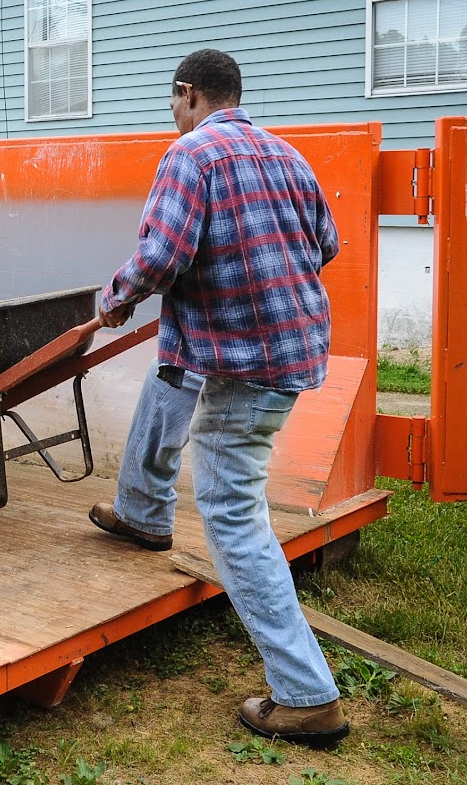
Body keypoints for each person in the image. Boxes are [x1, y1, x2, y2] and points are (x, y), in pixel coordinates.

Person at [88, 48, 347, 746]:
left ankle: (306, 692)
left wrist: (113, 301)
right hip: (287, 344)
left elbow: (162, 258)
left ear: (188, 93)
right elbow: (327, 241)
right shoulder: (287, 154)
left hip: (247, 364)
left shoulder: (191, 156)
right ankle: (143, 510)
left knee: (232, 511)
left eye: (174, 103)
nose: (172, 115)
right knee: (171, 369)